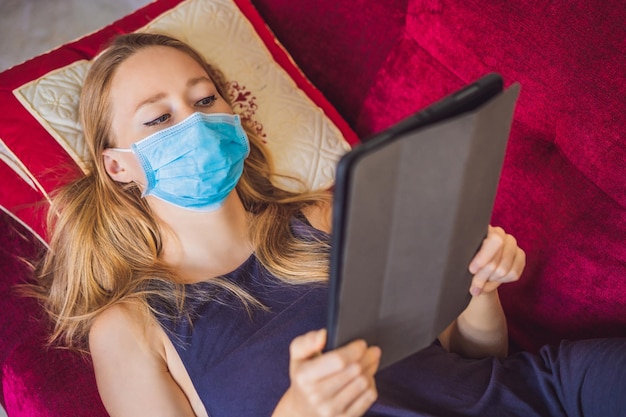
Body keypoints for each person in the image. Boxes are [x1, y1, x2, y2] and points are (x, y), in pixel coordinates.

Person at [35, 33, 625, 417]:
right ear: (117, 167)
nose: (194, 122)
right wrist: (299, 411)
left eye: (205, 99)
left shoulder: (329, 213)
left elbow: (472, 363)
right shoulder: (129, 326)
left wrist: (479, 292)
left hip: (544, 394)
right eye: (159, 117)